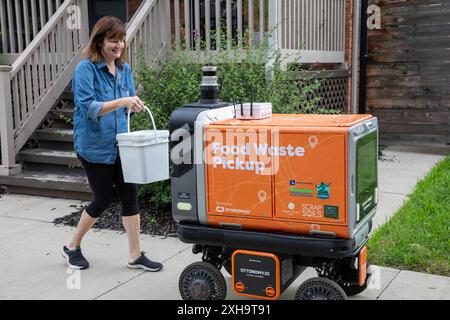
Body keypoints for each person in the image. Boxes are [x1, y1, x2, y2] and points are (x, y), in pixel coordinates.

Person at [61, 16, 163, 272]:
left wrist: (134, 105)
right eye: (113, 40)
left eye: (121, 39)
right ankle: (72, 246)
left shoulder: (124, 69)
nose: (119, 45)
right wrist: (122, 102)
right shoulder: (85, 69)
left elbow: (125, 107)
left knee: (130, 196)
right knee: (103, 197)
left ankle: (135, 255)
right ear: (100, 41)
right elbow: (88, 108)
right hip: (94, 145)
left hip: (122, 144)